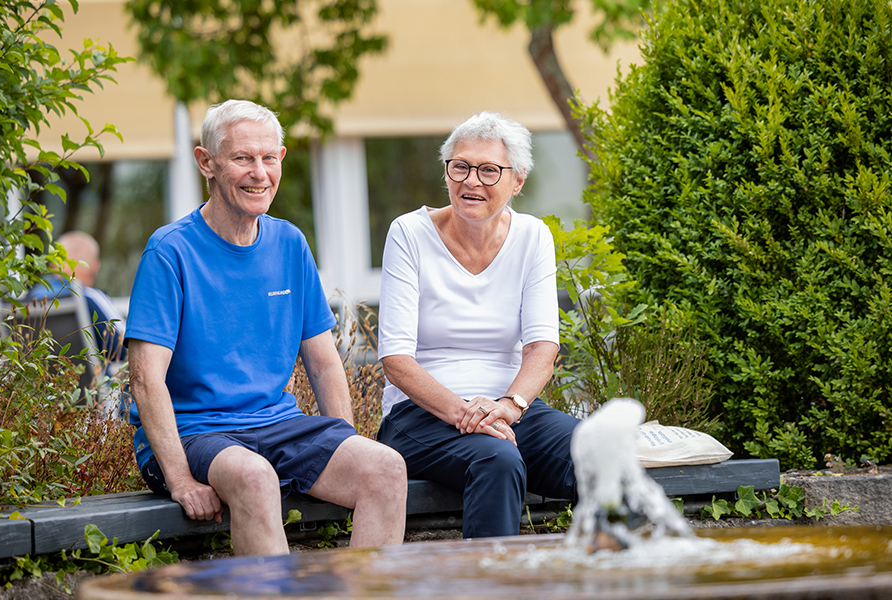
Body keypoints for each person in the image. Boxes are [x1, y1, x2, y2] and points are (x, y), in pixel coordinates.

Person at [125, 99, 407, 556]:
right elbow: (145, 378)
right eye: (242, 158)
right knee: (256, 477)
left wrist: (340, 445)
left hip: (278, 424)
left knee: (386, 468)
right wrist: (179, 478)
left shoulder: (290, 243)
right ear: (206, 163)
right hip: (197, 432)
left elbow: (324, 363)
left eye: (269, 158)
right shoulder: (170, 252)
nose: (260, 172)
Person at [377, 111, 581, 539]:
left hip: (506, 411)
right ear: (447, 172)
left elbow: (543, 346)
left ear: (517, 181)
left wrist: (508, 406)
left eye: (489, 170)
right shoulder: (409, 234)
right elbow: (395, 359)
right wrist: (466, 415)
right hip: (419, 414)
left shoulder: (533, 236)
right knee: (497, 460)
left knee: (595, 451)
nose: (472, 181)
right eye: (461, 167)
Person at [27, 230, 127, 363]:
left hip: (38, 381)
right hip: (90, 383)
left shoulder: (30, 299)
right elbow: (125, 348)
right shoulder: (89, 297)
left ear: (53, 263)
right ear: (95, 266)